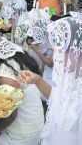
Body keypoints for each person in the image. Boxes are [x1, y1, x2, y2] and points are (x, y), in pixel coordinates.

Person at [17, 15, 82, 145]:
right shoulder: (71, 77)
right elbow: (58, 100)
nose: (55, 56)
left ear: (75, 52)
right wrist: (38, 81)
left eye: (58, 50)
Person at [0, 22, 44, 145]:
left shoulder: (5, 72)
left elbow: (11, 115)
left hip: (24, 134)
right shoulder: (18, 56)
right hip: (37, 124)